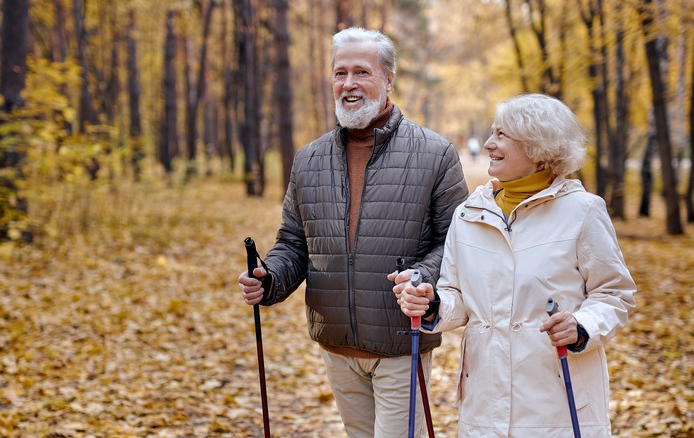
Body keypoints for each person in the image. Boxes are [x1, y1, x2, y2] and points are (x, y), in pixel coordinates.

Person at [238, 27, 468, 437]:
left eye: (361, 72)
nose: (348, 84)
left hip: (402, 339)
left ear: (388, 79)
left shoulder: (436, 154)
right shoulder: (309, 159)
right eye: (339, 73)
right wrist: (269, 278)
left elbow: (454, 243)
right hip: (337, 345)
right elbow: (294, 242)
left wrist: (421, 278)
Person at [391, 93, 637, 437]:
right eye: (492, 133)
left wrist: (581, 325)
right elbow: (456, 296)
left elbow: (615, 294)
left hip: (558, 408)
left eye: (502, 135)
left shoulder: (583, 211)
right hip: (484, 407)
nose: (489, 144)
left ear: (538, 146)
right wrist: (432, 304)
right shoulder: (469, 214)